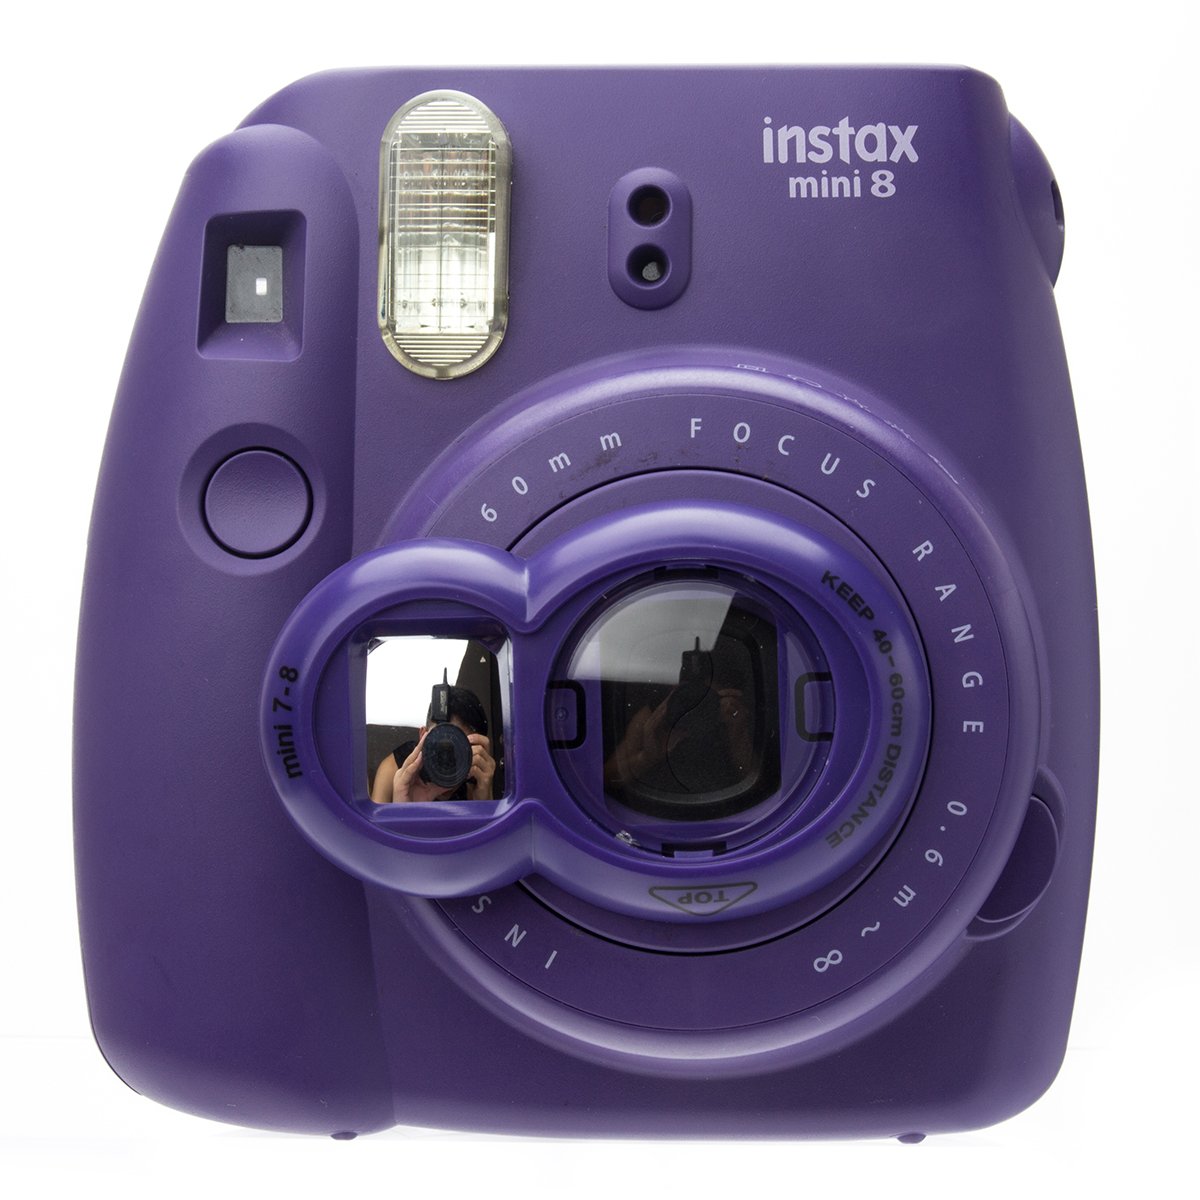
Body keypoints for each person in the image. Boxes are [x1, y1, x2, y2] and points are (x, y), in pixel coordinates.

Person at [370, 685, 496, 804]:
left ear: (477, 752)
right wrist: (401, 806)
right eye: (440, 748)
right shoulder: (394, 770)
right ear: (423, 736)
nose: (447, 761)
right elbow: (373, 819)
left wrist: (483, 802)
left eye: (460, 750)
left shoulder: (474, 777)